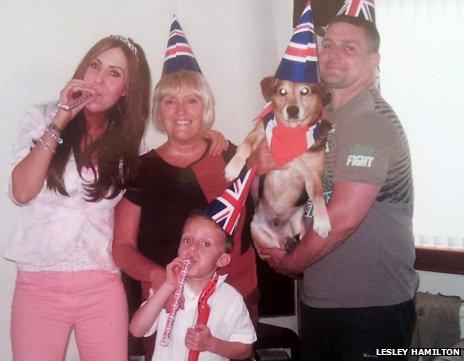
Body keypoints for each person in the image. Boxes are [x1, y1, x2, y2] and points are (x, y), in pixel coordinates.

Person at [260, 15, 419, 360]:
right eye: (328, 44)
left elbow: (343, 217)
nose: (333, 53)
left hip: (371, 309)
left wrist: (291, 264)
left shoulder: (370, 122)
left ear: (373, 62)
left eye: (349, 47)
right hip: (323, 300)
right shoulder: (323, 119)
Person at [112, 17, 258, 360]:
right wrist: (160, 278)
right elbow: (122, 248)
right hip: (163, 305)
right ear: (158, 111)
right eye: (169, 101)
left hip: (231, 297)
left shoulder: (231, 156)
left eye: (191, 100)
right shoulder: (141, 169)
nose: (181, 111)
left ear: (205, 107)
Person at [5, 35, 151, 361]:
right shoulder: (42, 117)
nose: (98, 79)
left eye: (114, 73)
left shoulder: (130, 141)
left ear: (126, 89)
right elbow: (22, 192)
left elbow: (159, 175)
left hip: (101, 283)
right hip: (39, 283)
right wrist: (61, 119)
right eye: (95, 65)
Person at [130, 212, 256, 361]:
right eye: (188, 240)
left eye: (206, 243)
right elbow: (136, 330)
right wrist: (168, 286)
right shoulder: (166, 290)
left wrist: (212, 344)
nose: (193, 248)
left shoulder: (231, 299)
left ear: (222, 260)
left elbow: (245, 349)